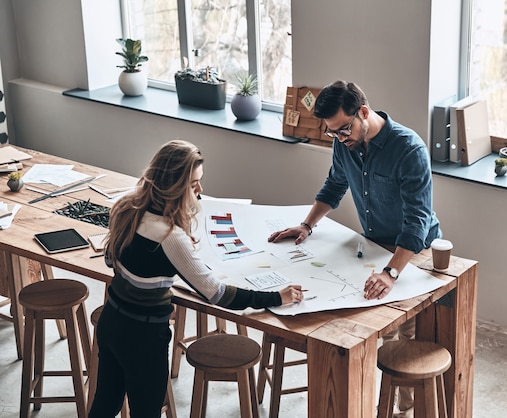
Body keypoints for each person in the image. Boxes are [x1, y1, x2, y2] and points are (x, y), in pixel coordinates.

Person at [89, 140, 303, 418]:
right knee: (146, 412)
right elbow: (218, 294)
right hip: (143, 338)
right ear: (172, 187)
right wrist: (277, 297)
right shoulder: (170, 236)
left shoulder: (125, 207)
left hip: (111, 323)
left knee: (105, 404)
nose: (200, 190)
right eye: (193, 184)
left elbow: (110, 260)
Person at [268, 80, 441, 418]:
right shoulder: (345, 143)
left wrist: (392, 272)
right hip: (373, 245)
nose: (340, 138)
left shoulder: (409, 150)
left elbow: (417, 223)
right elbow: (335, 183)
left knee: (401, 340)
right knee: (359, 328)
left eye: (344, 129)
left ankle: (404, 410)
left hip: (414, 252)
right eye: (333, 133)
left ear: (364, 112)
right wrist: (307, 225)